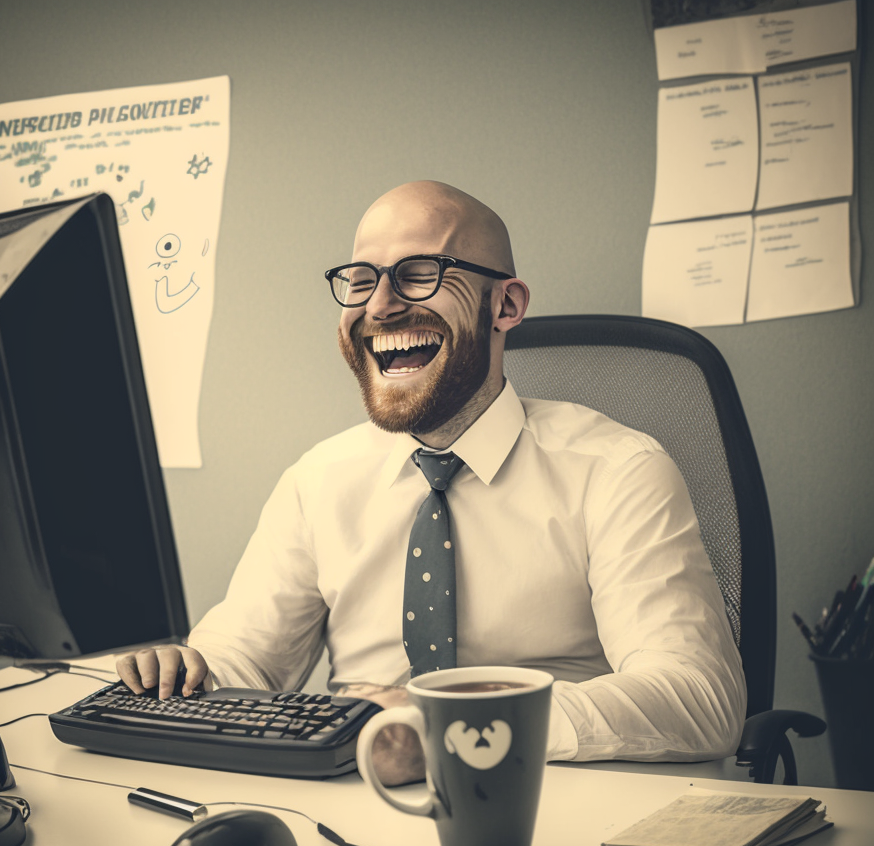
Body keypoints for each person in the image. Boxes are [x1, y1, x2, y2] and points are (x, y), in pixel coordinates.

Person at [116, 180, 746, 785]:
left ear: (507, 305)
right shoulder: (318, 481)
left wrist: (456, 724)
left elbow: (698, 698)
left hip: (551, 811)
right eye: (361, 281)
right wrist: (188, 675)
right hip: (359, 813)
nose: (381, 305)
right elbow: (246, 659)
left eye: (420, 273)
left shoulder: (618, 471)